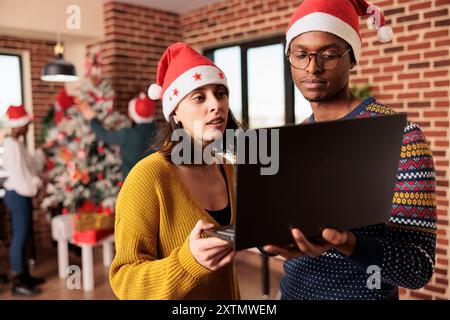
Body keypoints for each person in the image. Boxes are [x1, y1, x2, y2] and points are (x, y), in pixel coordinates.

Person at [263, 0, 437, 300]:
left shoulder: (400, 138)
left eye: (328, 55)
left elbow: (417, 268)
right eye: (300, 54)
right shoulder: (292, 141)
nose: (312, 67)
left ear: (352, 59)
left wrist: (348, 242)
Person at [109, 42, 241, 299]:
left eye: (221, 93)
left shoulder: (227, 166)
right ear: (175, 113)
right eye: (199, 97)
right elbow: (124, 280)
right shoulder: (147, 177)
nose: (216, 105)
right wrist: (187, 262)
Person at [2, 105, 45, 296]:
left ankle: (25, 275)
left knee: (26, 235)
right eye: (27, 123)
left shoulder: (17, 144)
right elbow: (20, 176)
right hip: (18, 194)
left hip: (22, 193)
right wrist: (35, 186)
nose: (28, 127)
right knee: (19, 236)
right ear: (19, 125)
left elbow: (30, 167)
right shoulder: (11, 146)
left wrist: (42, 151)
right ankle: (18, 280)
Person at [79, 92, 157, 180]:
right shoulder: (159, 133)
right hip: (154, 182)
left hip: (131, 184)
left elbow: (104, 135)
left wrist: (92, 119)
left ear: (133, 114)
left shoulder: (128, 135)